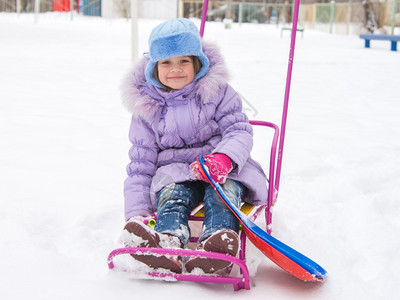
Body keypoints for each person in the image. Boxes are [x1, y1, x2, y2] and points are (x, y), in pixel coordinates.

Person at [121, 18, 268, 275]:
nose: (175, 69)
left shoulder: (218, 92)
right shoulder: (146, 107)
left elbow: (239, 130)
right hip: (175, 171)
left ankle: (217, 241)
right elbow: (140, 165)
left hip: (222, 166)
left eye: (183, 61)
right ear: (153, 67)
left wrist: (224, 158)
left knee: (222, 193)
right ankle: (167, 242)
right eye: (166, 62)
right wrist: (137, 212)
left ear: (198, 63)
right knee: (172, 196)